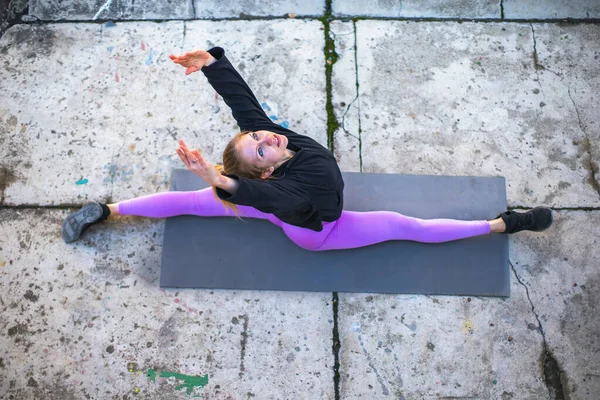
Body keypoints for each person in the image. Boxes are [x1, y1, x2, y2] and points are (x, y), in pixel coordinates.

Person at [62, 47, 553, 250]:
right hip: (318, 230)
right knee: (407, 227)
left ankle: (105, 208)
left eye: (257, 138)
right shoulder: (292, 190)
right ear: (266, 173)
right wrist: (221, 183)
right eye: (260, 148)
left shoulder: (277, 146)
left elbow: (243, 104)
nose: (265, 138)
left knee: (199, 204)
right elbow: (276, 201)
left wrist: (213, 61)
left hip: (263, 198)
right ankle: (506, 223)